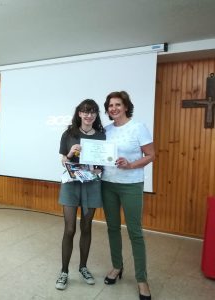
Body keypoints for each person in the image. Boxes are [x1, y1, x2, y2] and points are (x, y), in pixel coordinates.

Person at [101, 91, 154, 300]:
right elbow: (101, 156)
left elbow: (151, 155)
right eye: (110, 105)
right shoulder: (106, 130)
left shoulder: (138, 127)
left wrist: (131, 164)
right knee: (112, 227)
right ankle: (117, 267)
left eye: (117, 104)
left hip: (131, 184)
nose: (113, 108)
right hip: (107, 184)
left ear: (125, 106)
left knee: (135, 232)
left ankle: (141, 279)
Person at [55, 99, 105, 290]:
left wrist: (100, 168)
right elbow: (63, 160)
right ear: (79, 114)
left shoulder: (101, 136)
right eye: (85, 111)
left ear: (96, 115)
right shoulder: (69, 134)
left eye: (92, 112)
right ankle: (64, 271)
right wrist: (69, 154)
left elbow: (103, 162)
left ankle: (83, 267)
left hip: (92, 185)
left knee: (86, 227)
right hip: (71, 184)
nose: (88, 115)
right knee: (69, 229)